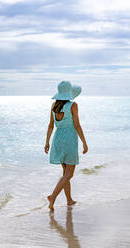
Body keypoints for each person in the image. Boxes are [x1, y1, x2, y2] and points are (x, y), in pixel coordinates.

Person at [44, 81, 88, 211]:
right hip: (69, 141)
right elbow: (77, 125)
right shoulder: (73, 105)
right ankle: (53, 196)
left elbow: (51, 125)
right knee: (69, 174)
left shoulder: (54, 106)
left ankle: (69, 200)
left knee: (65, 173)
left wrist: (47, 142)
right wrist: (85, 143)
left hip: (58, 140)